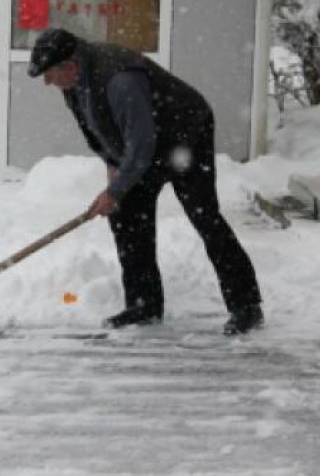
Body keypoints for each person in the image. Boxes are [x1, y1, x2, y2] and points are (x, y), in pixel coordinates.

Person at [27, 28, 264, 335]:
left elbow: (141, 146)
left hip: (185, 134)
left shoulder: (119, 79)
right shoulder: (73, 85)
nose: (48, 83)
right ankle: (143, 305)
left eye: (48, 75)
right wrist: (112, 165)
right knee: (126, 216)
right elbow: (97, 132)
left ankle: (246, 306)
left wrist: (114, 190)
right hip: (146, 143)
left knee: (204, 216)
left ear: (70, 65)